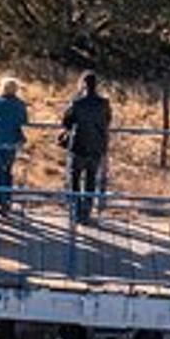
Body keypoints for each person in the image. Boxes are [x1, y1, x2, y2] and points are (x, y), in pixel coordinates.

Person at [61, 72, 113, 225]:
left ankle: (76, 210)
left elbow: (66, 122)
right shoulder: (104, 103)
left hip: (79, 145)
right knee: (91, 179)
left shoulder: (77, 103)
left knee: (75, 179)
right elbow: (108, 120)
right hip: (97, 146)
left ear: (83, 84)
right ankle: (87, 210)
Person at [0, 76, 30, 214]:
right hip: (12, 142)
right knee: (8, 172)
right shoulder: (20, 104)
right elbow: (24, 121)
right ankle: (7, 199)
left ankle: (0, 202)